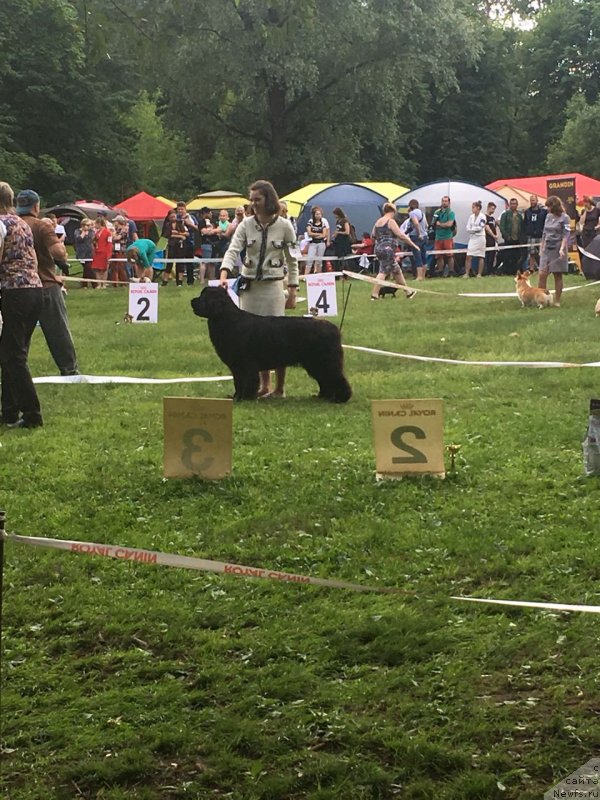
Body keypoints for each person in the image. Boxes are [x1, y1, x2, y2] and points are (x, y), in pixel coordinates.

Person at [219, 179, 298, 399]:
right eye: (251, 200)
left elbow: (293, 261)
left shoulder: (285, 225)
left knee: (278, 338)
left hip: (273, 287)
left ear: (269, 199)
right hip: (250, 287)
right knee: (254, 339)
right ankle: (263, 385)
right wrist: (224, 272)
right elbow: (233, 249)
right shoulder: (245, 224)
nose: (254, 204)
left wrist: (293, 290)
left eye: (258, 200)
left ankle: (279, 388)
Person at [16, 189, 79, 376]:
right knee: (58, 331)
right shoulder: (41, 226)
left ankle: (17, 371)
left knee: (19, 334)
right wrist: (63, 257)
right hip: (45, 284)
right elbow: (58, 252)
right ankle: (69, 370)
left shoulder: (11, 225)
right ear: (37, 206)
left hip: (18, 288)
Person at [0, 181, 44, 429]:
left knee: (13, 356)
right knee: (11, 353)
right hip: (33, 290)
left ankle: (32, 414)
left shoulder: (0, 224)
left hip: (14, 292)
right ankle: (8, 411)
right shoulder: (22, 224)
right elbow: (33, 257)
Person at [370, 203, 419, 300]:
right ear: (393, 211)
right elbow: (401, 235)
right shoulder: (390, 221)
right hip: (387, 250)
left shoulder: (378, 222)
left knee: (397, 271)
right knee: (383, 271)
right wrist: (413, 245)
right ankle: (374, 294)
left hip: (378, 248)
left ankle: (408, 292)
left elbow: (373, 235)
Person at [538, 195, 570, 307]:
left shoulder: (565, 218)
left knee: (557, 275)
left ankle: (557, 300)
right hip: (547, 248)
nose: (547, 209)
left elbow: (566, 235)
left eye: (549, 206)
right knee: (542, 273)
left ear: (554, 206)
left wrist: (562, 249)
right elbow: (544, 233)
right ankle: (542, 300)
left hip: (558, 248)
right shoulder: (548, 216)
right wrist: (541, 247)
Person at [401, 199, 428, 281]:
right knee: (423, 256)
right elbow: (426, 225)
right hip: (425, 236)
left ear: (410, 206)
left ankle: (419, 276)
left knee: (417, 256)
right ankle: (423, 276)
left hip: (416, 237)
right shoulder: (422, 213)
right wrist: (423, 232)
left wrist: (418, 233)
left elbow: (416, 223)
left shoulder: (413, 213)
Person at [499, 198, 524, 275]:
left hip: (517, 239)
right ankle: (506, 271)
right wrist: (506, 236)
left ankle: (515, 271)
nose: (513, 205)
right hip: (508, 239)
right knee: (507, 256)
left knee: (516, 256)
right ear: (509, 205)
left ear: (517, 205)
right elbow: (502, 226)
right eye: (512, 203)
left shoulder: (519, 216)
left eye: (515, 204)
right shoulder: (505, 214)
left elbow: (522, 227)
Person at [433, 196, 456, 277]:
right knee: (438, 256)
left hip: (448, 237)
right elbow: (433, 223)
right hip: (438, 237)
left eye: (446, 201)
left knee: (450, 255)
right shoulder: (437, 212)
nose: (444, 202)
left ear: (449, 202)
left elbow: (450, 224)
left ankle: (451, 272)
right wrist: (441, 225)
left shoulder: (451, 213)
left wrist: (440, 224)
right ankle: (440, 271)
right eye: (443, 201)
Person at [523, 194, 547, 271]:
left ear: (537, 201)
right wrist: (527, 231)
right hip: (531, 235)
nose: (532, 202)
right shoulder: (527, 212)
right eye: (531, 200)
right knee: (532, 253)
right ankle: (532, 269)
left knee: (542, 253)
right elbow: (525, 222)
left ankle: (543, 268)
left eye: (533, 200)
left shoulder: (543, 212)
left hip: (541, 235)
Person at [464, 201, 487, 278]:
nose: (472, 209)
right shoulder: (471, 217)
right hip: (472, 238)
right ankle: (467, 273)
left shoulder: (483, 216)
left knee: (481, 256)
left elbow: (480, 227)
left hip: (480, 238)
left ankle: (479, 274)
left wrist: (472, 229)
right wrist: (473, 230)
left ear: (478, 208)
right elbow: (467, 228)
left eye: (473, 207)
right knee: (468, 255)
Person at [90, 211, 113, 287]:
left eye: (96, 224)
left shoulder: (108, 233)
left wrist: (109, 254)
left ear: (99, 224)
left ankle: (103, 284)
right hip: (97, 253)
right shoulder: (97, 233)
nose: (94, 225)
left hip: (104, 253)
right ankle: (99, 284)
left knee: (104, 269)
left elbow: (109, 244)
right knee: (97, 269)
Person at [305, 206, 329, 275]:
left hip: (321, 243)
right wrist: (318, 234)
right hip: (313, 243)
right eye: (317, 214)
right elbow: (309, 233)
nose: (318, 216)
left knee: (319, 260)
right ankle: (305, 276)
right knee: (309, 259)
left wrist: (315, 234)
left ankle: (319, 275)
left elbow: (324, 235)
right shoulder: (310, 222)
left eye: (319, 214)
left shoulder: (323, 223)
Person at [74, 218, 96, 288]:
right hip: (81, 254)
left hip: (89, 253)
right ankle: (94, 284)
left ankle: (85, 284)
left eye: (90, 225)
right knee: (88, 268)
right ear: (83, 225)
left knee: (87, 268)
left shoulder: (91, 232)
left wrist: (87, 233)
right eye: (87, 225)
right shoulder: (77, 231)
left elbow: (92, 238)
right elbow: (78, 239)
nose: (89, 226)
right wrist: (83, 233)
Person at [484, 202, 500, 275]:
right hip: (487, 239)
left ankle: (491, 271)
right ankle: (487, 271)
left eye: (494, 209)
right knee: (487, 256)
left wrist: (496, 235)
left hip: (493, 240)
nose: (493, 211)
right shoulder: (485, 217)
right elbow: (487, 228)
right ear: (488, 207)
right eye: (492, 209)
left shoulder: (492, 218)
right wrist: (493, 235)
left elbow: (495, 227)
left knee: (492, 256)